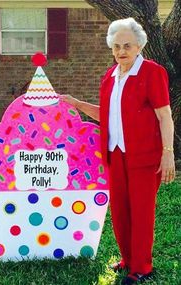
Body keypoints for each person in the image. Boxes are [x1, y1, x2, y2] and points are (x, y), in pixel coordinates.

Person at [60, 17, 175, 285]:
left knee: (141, 212)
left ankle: (142, 267)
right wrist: (76, 104)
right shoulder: (109, 78)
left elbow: (164, 114)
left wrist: (167, 151)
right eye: (116, 46)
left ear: (139, 47)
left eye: (127, 46)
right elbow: (108, 115)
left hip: (145, 156)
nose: (121, 51)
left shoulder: (152, 72)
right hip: (115, 154)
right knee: (120, 211)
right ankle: (127, 260)